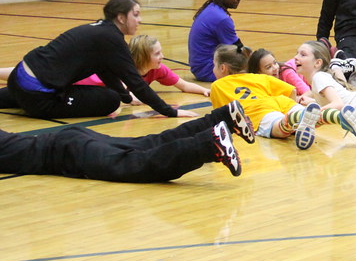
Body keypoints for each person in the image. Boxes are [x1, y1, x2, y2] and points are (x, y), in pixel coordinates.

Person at [0, 0, 197, 120]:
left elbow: (105, 70)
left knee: (112, 94)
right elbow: (136, 82)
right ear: (121, 17)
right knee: (109, 100)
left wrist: (127, 98)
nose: (140, 20)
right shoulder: (112, 39)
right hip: (39, 97)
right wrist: (169, 111)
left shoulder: (101, 31)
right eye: (135, 15)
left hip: (18, 79)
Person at [0, 101, 255, 181]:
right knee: (145, 144)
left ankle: (208, 144)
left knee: (134, 164)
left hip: (64, 154)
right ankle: (222, 118)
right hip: (67, 139)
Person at [209, 44, 356, 149]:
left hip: (257, 112)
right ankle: (340, 117)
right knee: (314, 117)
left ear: (223, 68)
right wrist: (293, 104)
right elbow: (291, 91)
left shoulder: (217, 86)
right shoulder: (258, 77)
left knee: (281, 128)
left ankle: (298, 118)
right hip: (281, 102)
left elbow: (222, 115)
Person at [75, 35, 210, 101]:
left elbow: (184, 85)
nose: (162, 56)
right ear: (143, 57)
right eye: (157, 54)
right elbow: (130, 97)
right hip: (80, 84)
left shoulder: (158, 69)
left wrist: (204, 90)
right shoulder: (123, 70)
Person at [189, 0, 244, 82]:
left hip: (199, 68)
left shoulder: (211, 8)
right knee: (262, 70)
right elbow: (238, 50)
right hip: (209, 70)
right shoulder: (222, 18)